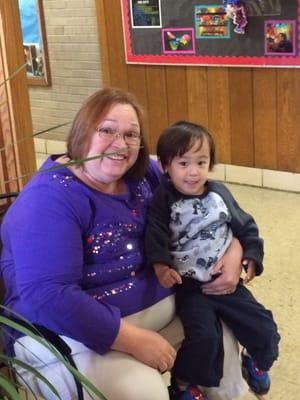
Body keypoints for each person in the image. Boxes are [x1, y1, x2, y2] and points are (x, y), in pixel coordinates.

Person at [1, 88, 247, 400]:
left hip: (160, 307)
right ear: (81, 132)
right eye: (106, 130)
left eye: (131, 134)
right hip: (71, 332)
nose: (120, 144)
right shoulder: (48, 200)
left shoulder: (146, 175)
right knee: (144, 393)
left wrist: (235, 250)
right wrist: (132, 340)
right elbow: (50, 296)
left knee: (226, 330)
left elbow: (209, 209)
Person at [145, 121, 280, 399]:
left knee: (264, 326)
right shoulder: (164, 198)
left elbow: (246, 227)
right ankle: (183, 384)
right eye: (183, 163)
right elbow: (154, 232)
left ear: (211, 164)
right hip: (191, 287)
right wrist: (160, 266)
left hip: (227, 283)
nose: (193, 172)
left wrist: (251, 259)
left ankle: (255, 361)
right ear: (166, 166)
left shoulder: (219, 194)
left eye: (201, 162)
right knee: (204, 338)